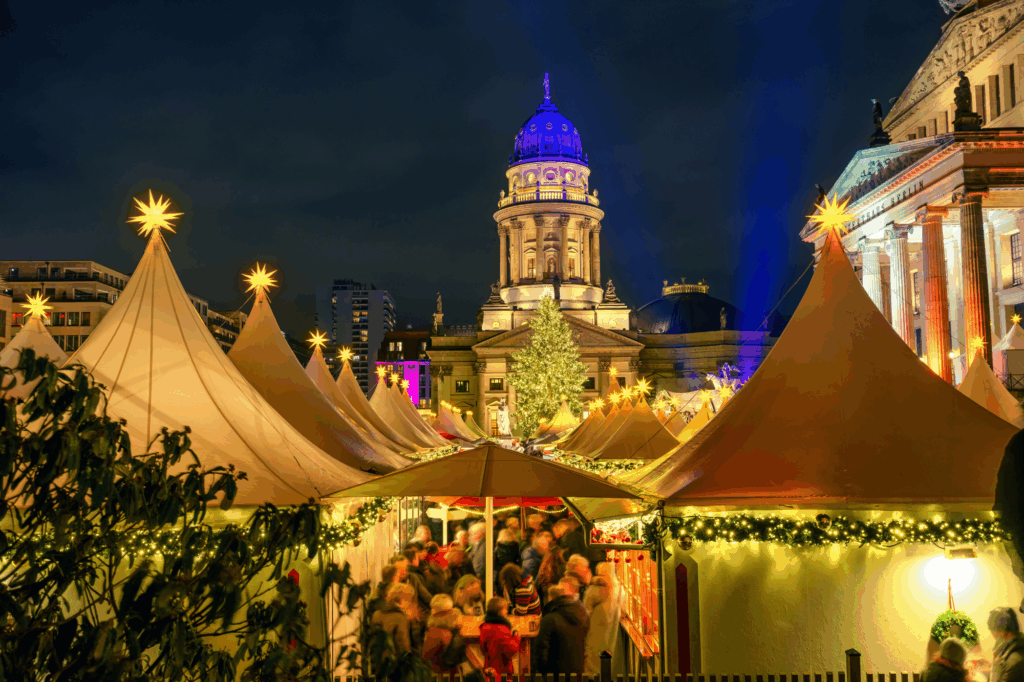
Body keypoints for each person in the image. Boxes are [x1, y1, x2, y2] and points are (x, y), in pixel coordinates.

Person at [535, 584, 589, 674]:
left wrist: (543, 672)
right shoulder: (583, 616)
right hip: (579, 671)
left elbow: (541, 650)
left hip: (555, 674)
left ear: (550, 598)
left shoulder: (549, 620)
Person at [422, 594, 467, 675]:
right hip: (444, 671)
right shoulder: (452, 630)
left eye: (432, 607)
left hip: (437, 670)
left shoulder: (435, 631)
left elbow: (426, 658)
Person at [583, 577, 618, 677]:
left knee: (593, 664)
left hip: (593, 636)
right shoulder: (615, 593)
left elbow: (586, 613)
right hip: (608, 636)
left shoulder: (592, 591)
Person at [370, 582, 418, 656]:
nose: (410, 603)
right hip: (393, 662)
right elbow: (403, 647)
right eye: (409, 599)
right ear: (402, 599)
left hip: (377, 660)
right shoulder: (400, 618)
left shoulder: (376, 613)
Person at [479, 597, 522, 677]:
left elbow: (483, 648)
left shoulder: (484, 626)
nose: (506, 611)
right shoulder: (502, 628)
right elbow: (511, 649)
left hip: (489, 667)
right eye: (505, 609)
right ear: (499, 611)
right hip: (501, 670)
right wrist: (516, 636)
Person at [989, 607, 1024, 682]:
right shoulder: (1009, 646)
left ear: (1002, 630)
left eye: (992, 630)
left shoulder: (1015, 660)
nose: (993, 635)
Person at [401, 547, 436, 611]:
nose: (419, 561)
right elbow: (424, 595)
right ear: (412, 560)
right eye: (417, 559)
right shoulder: (416, 576)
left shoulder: (412, 575)